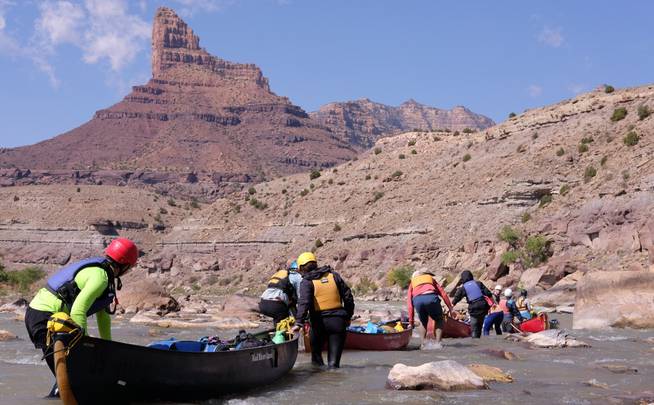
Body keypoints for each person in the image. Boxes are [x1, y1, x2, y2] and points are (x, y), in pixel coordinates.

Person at [25, 238, 138, 381]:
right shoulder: (101, 278)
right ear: (125, 265)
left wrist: (108, 347)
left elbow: (103, 317)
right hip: (45, 318)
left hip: (41, 315)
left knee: (71, 377)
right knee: (71, 377)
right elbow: (78, 311)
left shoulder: (102, 273)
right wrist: (83, 346)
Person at [293, 252, 354, 368]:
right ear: (315, 264)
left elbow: (304, 303)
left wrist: (298, 322)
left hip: (318, 323)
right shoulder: (334, 276)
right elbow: (348, 297)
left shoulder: (306, 281)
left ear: (301, 268)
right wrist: (348, 316)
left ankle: (318, 382)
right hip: (338, 322)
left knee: (316, 362)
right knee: (334, 365)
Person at [407, 270, 453, 347]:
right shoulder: (430, 278)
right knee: (439, 319)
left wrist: (411, 321)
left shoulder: (412, 283)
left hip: (418, 300)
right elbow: (443, 293)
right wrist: (450, 308)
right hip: (431, 298)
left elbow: (409, 304)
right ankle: (438, 344)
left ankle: (423, 344)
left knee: (423, 321)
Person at [258, 260, 302, 328]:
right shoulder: (296, 276)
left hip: (263, 303)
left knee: (279, 321)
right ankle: (292, 333)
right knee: (286, 322)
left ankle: (277, 333)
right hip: (276, 305)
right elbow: (300, 296)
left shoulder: (280, 275)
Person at [450, 270, 493, 338]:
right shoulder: (478, 283)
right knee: (479, 326)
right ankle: (479, 339)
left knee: (474, 328)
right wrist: (492, 304)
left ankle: (475, 342)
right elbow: (489, 294)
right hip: (483, 306)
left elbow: (457, 298)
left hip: (474, 308)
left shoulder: (463, 288)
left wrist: (451, 306)